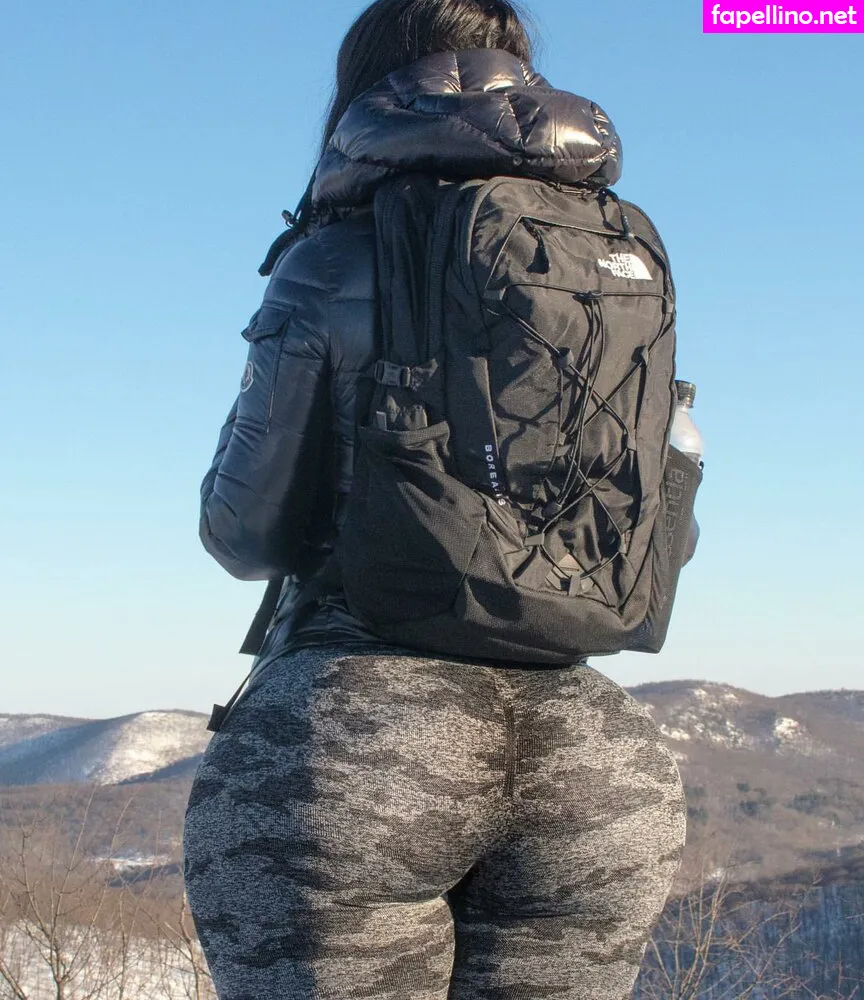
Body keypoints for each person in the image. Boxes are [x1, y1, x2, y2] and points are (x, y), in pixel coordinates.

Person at [183, 2, 688, 997]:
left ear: (368, 88)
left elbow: (244, 532)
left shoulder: (334, 255)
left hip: (354, 743)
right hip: (598, 764)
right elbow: (657, 517)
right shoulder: (610, 258)